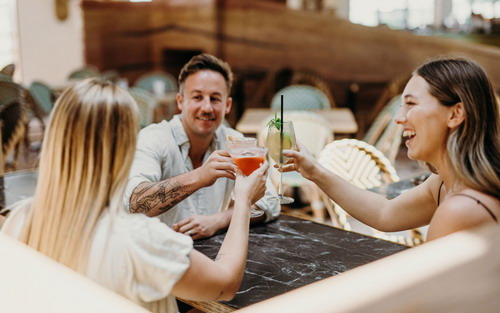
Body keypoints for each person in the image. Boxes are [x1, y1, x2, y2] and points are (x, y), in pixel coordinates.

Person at [1, 78, 269, 313]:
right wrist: (243, 201)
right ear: (127, 148)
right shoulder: (142, 240)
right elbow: (225, 285)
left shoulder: (19, 220)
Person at [281, 57, 499, 241]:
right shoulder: (445, 183)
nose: (398, 118)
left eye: (411, 104)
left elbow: (427, 290)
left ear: (455, 114)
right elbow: (385, 213)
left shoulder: (461, 209)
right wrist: (314, 171)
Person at [124, 53, 279, 239]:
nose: (207, 108)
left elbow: (271, 201)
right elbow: (134, 202)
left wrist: (219, 220)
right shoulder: (153, 138)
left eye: (215, 99)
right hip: (157, 255)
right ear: (181, 102)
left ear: (227, 105)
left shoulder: (235, 142)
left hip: (213, 254)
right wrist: (199, 177)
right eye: (197, 97)